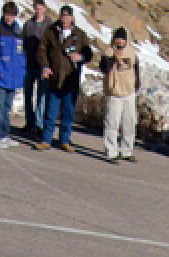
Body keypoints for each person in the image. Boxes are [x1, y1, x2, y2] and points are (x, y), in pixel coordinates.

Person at [34, 4, 93, 152]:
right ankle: (46, 139)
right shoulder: (51, 32)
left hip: (70, 80)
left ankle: (64, 140)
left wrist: (81, 56)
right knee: (50, 112)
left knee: (68, 112)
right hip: (54, 78)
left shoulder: (80, 34)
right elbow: (41, 51)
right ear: (60, 16)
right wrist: (45, 66)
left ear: (72, 17)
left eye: (67, 15)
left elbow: (89, 54)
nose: (64, 18)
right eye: (62, 15)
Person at [0, 2, 26, 149]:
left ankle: (4, 134)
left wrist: (22, 71)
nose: (9, 18)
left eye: (12, 15)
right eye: (7, 15)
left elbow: (22, 55)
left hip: (13, 77)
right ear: (3, 14)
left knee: (7, 108)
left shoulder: (18, 31)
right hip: (0, 77)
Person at [100, 27, 140, 163]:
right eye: (118, 38)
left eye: (122, 39)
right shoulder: (108, 51)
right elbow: (104, 68)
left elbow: (136, 69)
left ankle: (127, 150)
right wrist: (113, 58)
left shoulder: (131, 52)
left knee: (129, 123)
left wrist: (136, 85)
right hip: (114, 93)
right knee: (112, 123)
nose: (120, 41)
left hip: (129, 92)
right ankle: (111, 151)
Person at [21, 0, 51, 137]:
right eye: (36, 8)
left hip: (43, 66)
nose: (38, 11)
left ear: (44, 9)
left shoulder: (49, 25)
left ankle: (39, 123)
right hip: (29, 64)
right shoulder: (28, 24)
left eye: (40, 8)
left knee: (41, 95)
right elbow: (23, 44)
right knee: (28, 94)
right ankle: (29, 121)